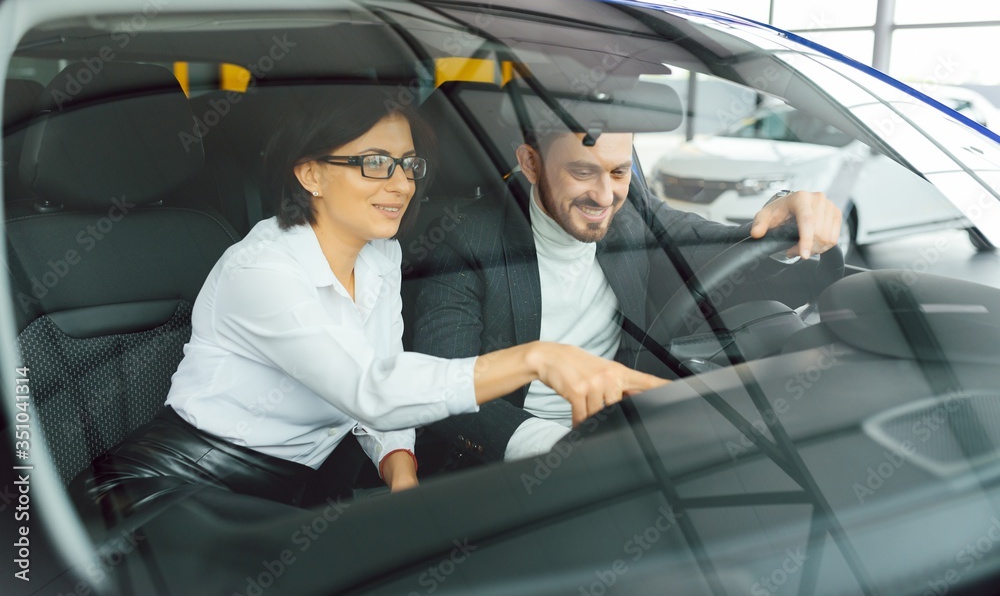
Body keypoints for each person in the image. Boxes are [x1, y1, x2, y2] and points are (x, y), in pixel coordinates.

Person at [70, 89, 666, 519]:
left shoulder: (379, 256)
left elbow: (383, 401)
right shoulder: (263, 270)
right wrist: (537, 359)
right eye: (374, 164)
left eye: (408, 165)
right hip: (178, 491)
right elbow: (371, 387)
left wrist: (402, 479)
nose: (402, 183)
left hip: (299, 492)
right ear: (310, 174)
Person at [412, 125, 842, 466]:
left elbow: (718, 245)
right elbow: (444, 385)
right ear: (530, 162)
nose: (604, 196)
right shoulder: (466, 239)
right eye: (582, 172)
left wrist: (788, 216)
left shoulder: (632, 209)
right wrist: (558, 449)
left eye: (618, 172)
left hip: (633, 434)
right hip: (521, 458)